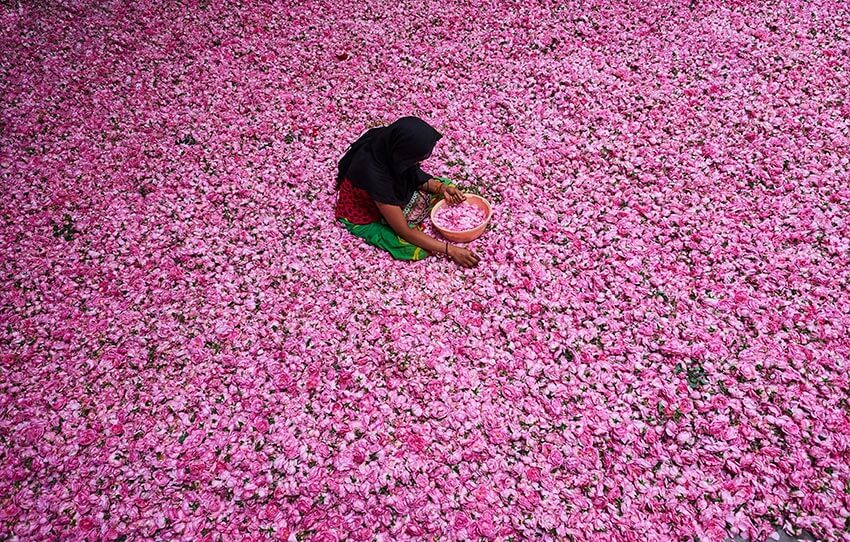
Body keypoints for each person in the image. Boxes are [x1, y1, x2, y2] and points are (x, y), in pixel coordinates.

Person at [335, 116, 481, 268]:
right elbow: (404, 231)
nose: (419, 163)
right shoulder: (375, 176)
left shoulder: (389, 142)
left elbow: (410, 172)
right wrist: (450, 250)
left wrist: (441, 188)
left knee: (446, 186)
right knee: (414, 248)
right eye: (415, 159)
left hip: (388, 188)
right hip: (366, 212)